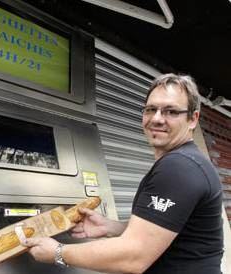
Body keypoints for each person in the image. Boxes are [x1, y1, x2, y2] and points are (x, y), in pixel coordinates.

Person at [23, 73, 224, 274]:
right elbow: (172, 229)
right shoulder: (190, 162)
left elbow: (133, 256)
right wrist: (111, 227)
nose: (157, 119)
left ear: (193, 119)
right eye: (151, 109)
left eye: (170, 111)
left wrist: (58, 252)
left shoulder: (179, 167)